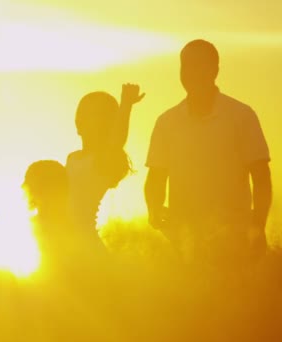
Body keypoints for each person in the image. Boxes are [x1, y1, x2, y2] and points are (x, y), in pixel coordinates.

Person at [144, 39, 272, 265]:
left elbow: (261, 177)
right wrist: (153, 209)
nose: (192, 72)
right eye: (187, 65)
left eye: (200, 65)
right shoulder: (166, 122)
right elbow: (155, 177)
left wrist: (257, 227)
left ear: (215, 70)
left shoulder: (241, 116)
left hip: (235, 245)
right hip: (183, 247)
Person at [66, 84, 144, 250]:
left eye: (95, 116)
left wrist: (126, 105)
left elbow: (117, 142)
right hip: (65, 243)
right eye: (82, 114)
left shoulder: (101, 161)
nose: (82, 119)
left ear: (108, 124)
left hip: (85, 245)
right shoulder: (72, 158)